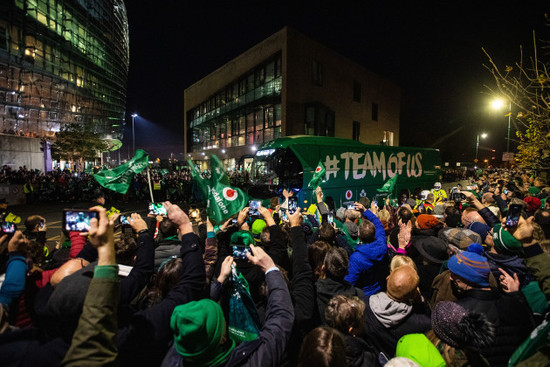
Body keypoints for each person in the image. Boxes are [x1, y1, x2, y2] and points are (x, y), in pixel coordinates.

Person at [161, 243, 295, 366]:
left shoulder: (174, 355)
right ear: (223, 338)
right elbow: (281, 318)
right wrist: (270, 268)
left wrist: (220, 280)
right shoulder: (252, 362)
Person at [447, 250, 536, 365]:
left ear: (467, 278)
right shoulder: (515, 303)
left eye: (454, 274)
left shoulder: (459, 311)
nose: (450, 278)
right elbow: (532, 334)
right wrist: (516, 295)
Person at [345, 201, 389, 296]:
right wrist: (365, 210)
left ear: (359, 235)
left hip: (366, 295)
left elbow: (350, 282)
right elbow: (378, 224)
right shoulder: (382, 244)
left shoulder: (356, 258)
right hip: (382, 289)